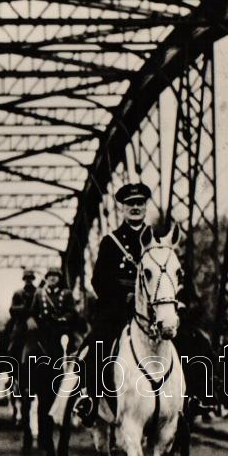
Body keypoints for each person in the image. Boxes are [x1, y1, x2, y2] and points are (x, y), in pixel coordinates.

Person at [74, 182, 154, 425]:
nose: (135, 207)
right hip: (118, 311)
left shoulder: (157, 240)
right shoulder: (111, 241)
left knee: (187, 341)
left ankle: (192, 399)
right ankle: (90, 399)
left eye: (139, 203)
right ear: (122, 208)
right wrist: (122, 297)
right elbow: (98, 280)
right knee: (95, 346)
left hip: (152, 311)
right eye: (130, 204)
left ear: (145, 206)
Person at [27, 266, 77, 354]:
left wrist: (62, 319)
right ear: (46, 278)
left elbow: (71, 312)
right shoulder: (39, 293)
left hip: (61, 329)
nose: (52, 278)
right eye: (50, 275)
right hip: (43, 330)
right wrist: (31, 319)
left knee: (70, 350)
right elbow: (33, 311)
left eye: (55, 275)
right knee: (31, 351)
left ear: (59, 278)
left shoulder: (66, 293)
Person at [5, 270, 37, 353]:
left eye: (30, 278)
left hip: (36, 321)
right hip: (22, 322)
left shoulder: (38, 292)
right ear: (24, 279)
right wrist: (23, 309)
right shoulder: (18, 293)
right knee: (14, 343)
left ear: (33, 279)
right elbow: (12, 309)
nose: (28, 280)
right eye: (26, 278)